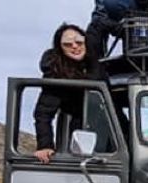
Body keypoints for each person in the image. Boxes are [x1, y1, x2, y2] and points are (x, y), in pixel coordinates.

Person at [34, 24, 102, 163]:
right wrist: (45, 145)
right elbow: (43, 113)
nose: (75, 47)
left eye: (78, 42)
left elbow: (100, 24)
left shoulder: (95, 60)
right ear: (60, 48)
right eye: (68, 44)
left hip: (110, 123)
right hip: (80, 130)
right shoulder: (56, 75)